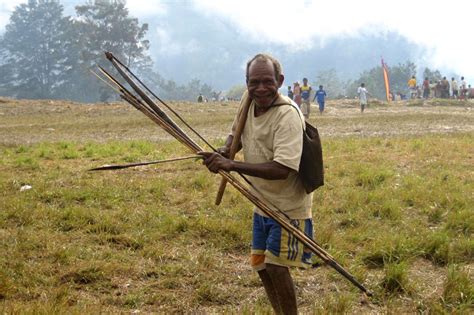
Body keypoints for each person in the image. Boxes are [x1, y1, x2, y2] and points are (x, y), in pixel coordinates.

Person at [198, 53, 313, 315]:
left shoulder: (288, 115)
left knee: (275, 266)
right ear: (246, 82)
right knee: (262, 266)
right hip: (260, 202)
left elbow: (282, 169)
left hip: (287, 206)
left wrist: (232, 165)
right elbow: (236, 135)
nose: (260, 88)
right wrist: (225, 151)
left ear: (280, 81)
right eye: (254, 82)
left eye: (267, 81)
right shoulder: (248, 100)